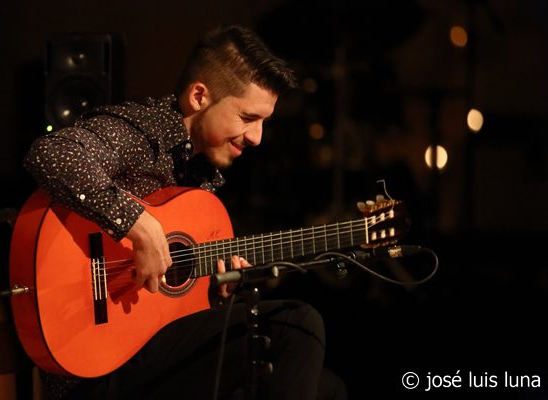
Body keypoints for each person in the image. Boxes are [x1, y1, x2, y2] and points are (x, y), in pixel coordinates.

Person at [24, 25, 344, 400]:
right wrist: (138, 225)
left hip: (147, 350)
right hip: (93, 366)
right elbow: (52, 153)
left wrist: (214, 293)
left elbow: (167, 304)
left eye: (263, 122)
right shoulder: (142, 131)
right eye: (247, 117)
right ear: (199, 96)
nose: (257, 137)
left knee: (329, 389)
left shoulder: (201, 172)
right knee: (297, 324)